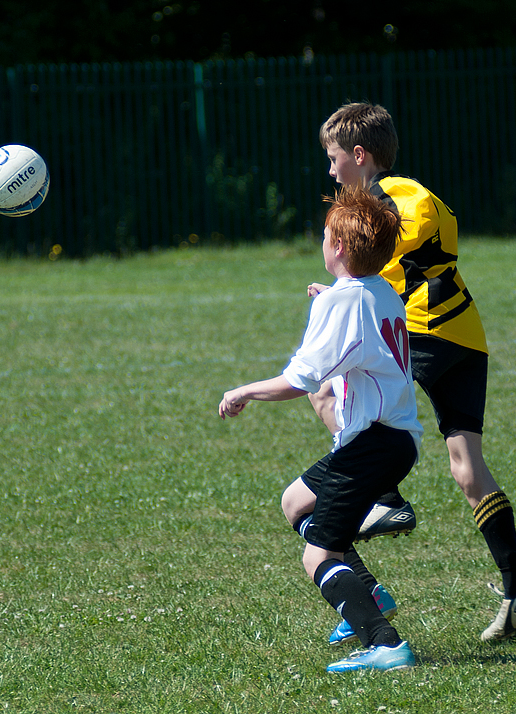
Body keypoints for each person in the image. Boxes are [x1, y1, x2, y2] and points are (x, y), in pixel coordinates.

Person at [312, 102, 516, 644]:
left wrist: (351, 296)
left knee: (326, 388)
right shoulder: (408, 194)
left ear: (360, 155)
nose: (331, 170)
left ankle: (385, 498)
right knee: (467, 468)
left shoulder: (387, 197)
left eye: (334, 158)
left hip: (425, 329)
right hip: (465, 331)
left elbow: (396, 257)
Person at [219, 186, 423, 673]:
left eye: (327, 236)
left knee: (318, 556)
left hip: (373, 444)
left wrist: (243, 391)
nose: (323, 242)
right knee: (295, 501)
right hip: (392, 439)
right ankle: (369, 592)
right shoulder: (382, 292)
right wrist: (331, 298)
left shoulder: (343, 302)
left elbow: (300, 381)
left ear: (340, 249)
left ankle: (384, 641)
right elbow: (359, 322)